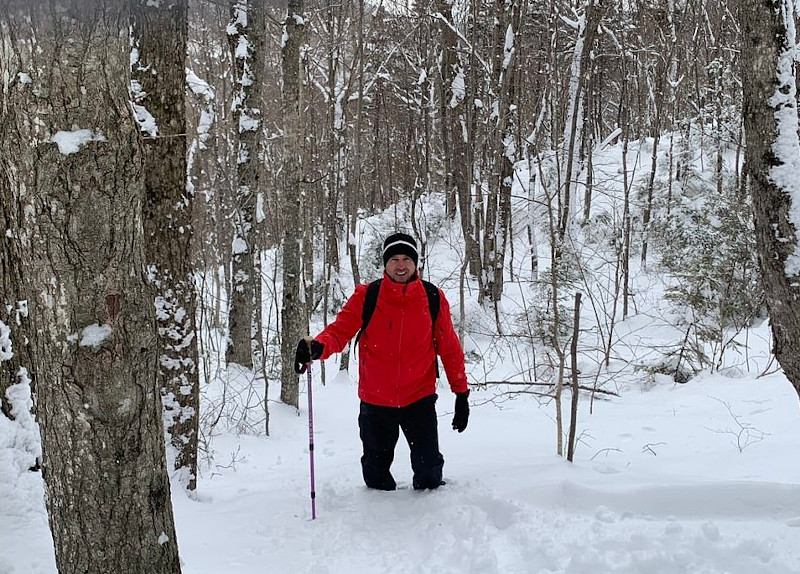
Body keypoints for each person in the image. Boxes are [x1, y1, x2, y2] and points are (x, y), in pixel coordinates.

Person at [294, 232, 470, 491]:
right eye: (395, 259)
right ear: (385, 264)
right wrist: (318, 347)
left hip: (418, 397)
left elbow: (449, 347)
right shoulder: (368, 295)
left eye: (407, 259)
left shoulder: (432, 297)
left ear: (416, 263)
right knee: (375, 478)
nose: (401, 265)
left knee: (430, 474)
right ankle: (375, 523)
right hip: (376, 401)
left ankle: (430, 519)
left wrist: (461, 393)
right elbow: (340, 330)